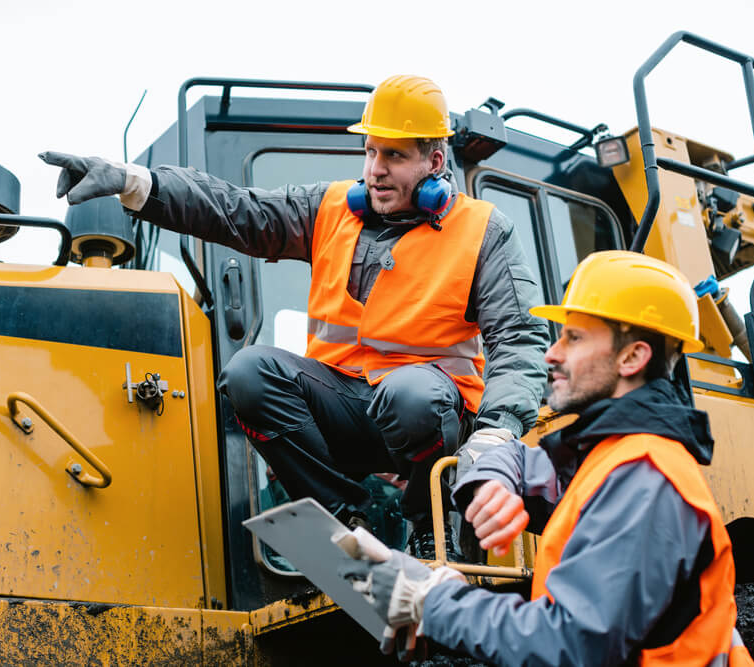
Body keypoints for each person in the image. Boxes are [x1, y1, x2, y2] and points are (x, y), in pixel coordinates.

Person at [39, 75, 549, 558]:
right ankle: (346, 525)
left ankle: (430, 534)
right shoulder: (329, 210)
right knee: (249, 373)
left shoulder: (482, 230)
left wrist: (497, 429)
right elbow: (234, 210)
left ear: (435, 160)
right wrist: (135, 182)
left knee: (411, 395)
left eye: (394, 155)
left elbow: (521, 337)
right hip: (346, 413)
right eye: (370, 151)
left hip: (431, 419)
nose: (375, 169)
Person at [338, 250, 754, 665]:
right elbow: (517, 459)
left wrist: (436, 601)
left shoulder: (645, 478)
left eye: (574, 338)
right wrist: (492, 481)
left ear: (633, 357)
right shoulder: (610, 457)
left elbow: (571, 645)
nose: (551, 354)